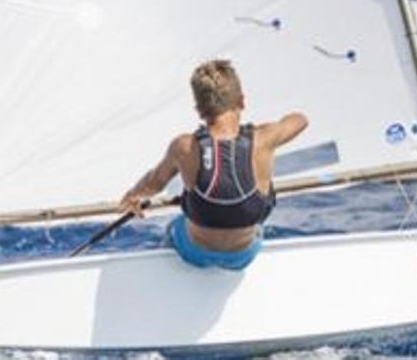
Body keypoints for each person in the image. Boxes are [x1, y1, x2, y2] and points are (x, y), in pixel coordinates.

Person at [119, 59, 307, 270]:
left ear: (199, 111)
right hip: (243, 256)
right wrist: (262, 129)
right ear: (242, 102)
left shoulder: (184, 147)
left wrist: (132, 196)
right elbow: (300, 120)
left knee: (174, 227)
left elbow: (154, 183)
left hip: (194, 254)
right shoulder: (265, 138)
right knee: (257, 219)